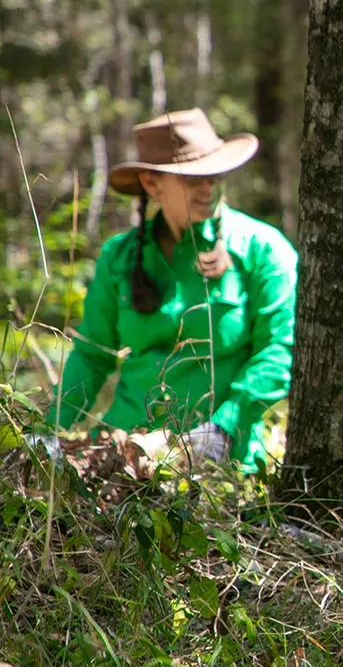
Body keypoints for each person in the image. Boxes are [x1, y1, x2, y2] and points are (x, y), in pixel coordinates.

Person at [53, 109, 298, 472]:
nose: (208, 187)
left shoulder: (263, 250)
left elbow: (280, 350)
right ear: (152, 185)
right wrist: (47, 429)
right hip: (121, 457)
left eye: (214, 174)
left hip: (222, 467)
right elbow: (92, 355)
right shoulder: (119, 256)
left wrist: (219, 431)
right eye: (193, 178)